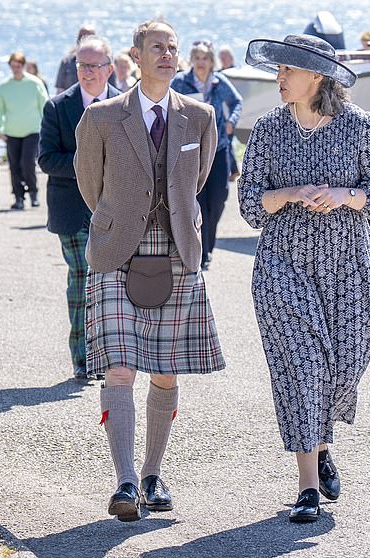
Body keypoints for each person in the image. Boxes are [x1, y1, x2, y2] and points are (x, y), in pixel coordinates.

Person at [239, 34, 370, 523]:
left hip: (350, 266)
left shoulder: (359, 126)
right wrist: (287, 192)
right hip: (283, 265)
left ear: (318, 77)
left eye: (289, 71)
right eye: (279, 70)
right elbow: (249, 205)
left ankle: (322, 439)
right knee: (301, 371)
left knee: (343, 368)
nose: (279, 78)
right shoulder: (268, 129)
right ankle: (307, 483)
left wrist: (343, 194)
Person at [75, 19, 225, 522]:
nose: (167, 53)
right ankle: (123, 482)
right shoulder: (100, 118)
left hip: (178, 251)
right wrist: (122, 220)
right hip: (118, 251)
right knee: (121, 367)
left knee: (165, 372)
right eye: (156, 46)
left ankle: (152, 474)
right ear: (135, 56)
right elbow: (90, 186)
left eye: (173, 47)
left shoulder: (201, 117)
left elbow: (198, 180)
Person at [39, 36, 121, 382]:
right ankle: (83, 357)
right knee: (83, 278)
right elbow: (46, 159)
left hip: (114, 211)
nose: (87, 72)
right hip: (72, 210)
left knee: (110, 284)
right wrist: (88, 163)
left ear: (109, 69)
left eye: (94, 66)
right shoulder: (58, 107)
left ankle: (111, 356)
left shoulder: (124, 104)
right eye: (82, 66)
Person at [171, 40, 242, 270]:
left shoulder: (219, 82)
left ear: (212, 61)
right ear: (192, 60)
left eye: (205, 58)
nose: (201, 63)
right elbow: (168, 103)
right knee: (197, 201)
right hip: (191, 149)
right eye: (198, 58)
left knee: (218, 199)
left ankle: (207, 246)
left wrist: (231, 122)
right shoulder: (181, 82)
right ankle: (200, 252)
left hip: (219, 147)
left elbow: (237, 101)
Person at [0, 51, 49, 210]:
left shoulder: (35, 83)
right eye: (13, 66)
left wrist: (47, 127)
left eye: (18, 66)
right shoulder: (5, 87)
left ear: (23, 66)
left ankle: (33, 193)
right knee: (14, 166)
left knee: (27, 163)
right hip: (11, 132)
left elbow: (45, 105)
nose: (16, 69)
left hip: (32, 130)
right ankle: (18, 197)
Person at [217, 44, 240, 182]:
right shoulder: (219, 75)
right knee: (228, 143)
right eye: (221, 57)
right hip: (223, 117)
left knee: (228, 143)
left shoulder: (237, 73)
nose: (223, 59)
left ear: (231, 57)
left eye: (225, 57)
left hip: (234, 115)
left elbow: (237, 99)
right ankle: (234, 170)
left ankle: (234, 170)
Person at [55, 25, 97, 93]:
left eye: (89, 37)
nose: (84, 40)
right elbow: (59, 90)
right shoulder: (66, 62)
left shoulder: (105, 64)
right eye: (82, 37)